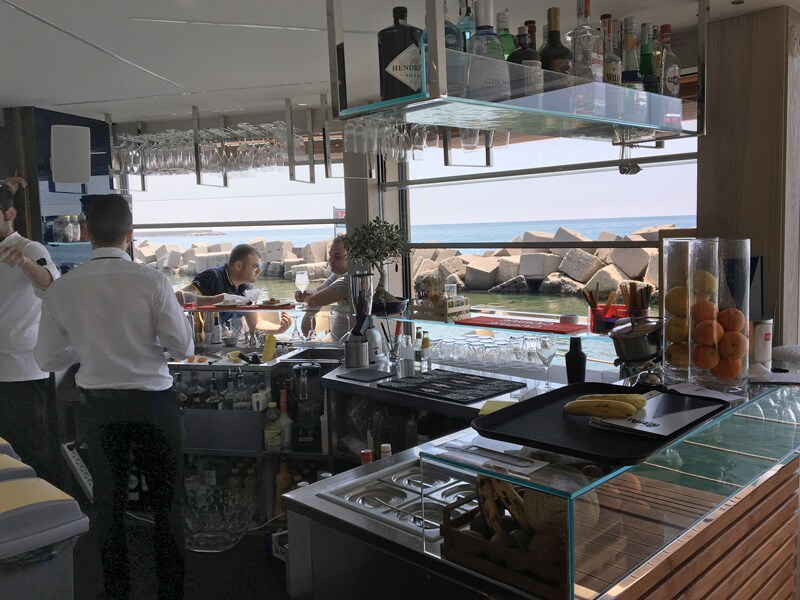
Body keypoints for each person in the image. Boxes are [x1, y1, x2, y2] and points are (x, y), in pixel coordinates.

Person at [35, 195, 193, 600]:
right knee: (168, 505)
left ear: (87, 232)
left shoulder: (63, 288)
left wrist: (85, 348)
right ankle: (171, 591)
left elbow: (47, 359)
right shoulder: (152, 281)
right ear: (130, 235)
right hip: (154, 404)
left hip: (101, 408)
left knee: (108, 507)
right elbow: (182, 347)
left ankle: (116, 591)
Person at [0, 175, 61, 481]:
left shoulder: (29, 248)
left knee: (29, 451)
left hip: (21, 371)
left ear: (10, 214)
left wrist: (25, 262)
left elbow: (50, 284)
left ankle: (47, 507)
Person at [178, 243, 291, 335]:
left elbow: (255, 324)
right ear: (238, 266)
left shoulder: (247, 288)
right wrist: (218, 299)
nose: (259, 271)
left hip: (229, 343)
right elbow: (177, 297)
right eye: (256, 266)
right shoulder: (213, 277)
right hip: (202, 341)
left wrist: (279, 329)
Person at [295, 236, 352, 340]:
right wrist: (306, 293)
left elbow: (316, 300)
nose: (331, 260)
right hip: (337, 341)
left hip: (348, 343)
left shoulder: (348, 279)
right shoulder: (337, 275)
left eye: (337, 256)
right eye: (330, 255)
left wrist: (309, 299)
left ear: (350, 258)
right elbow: (316, 291)